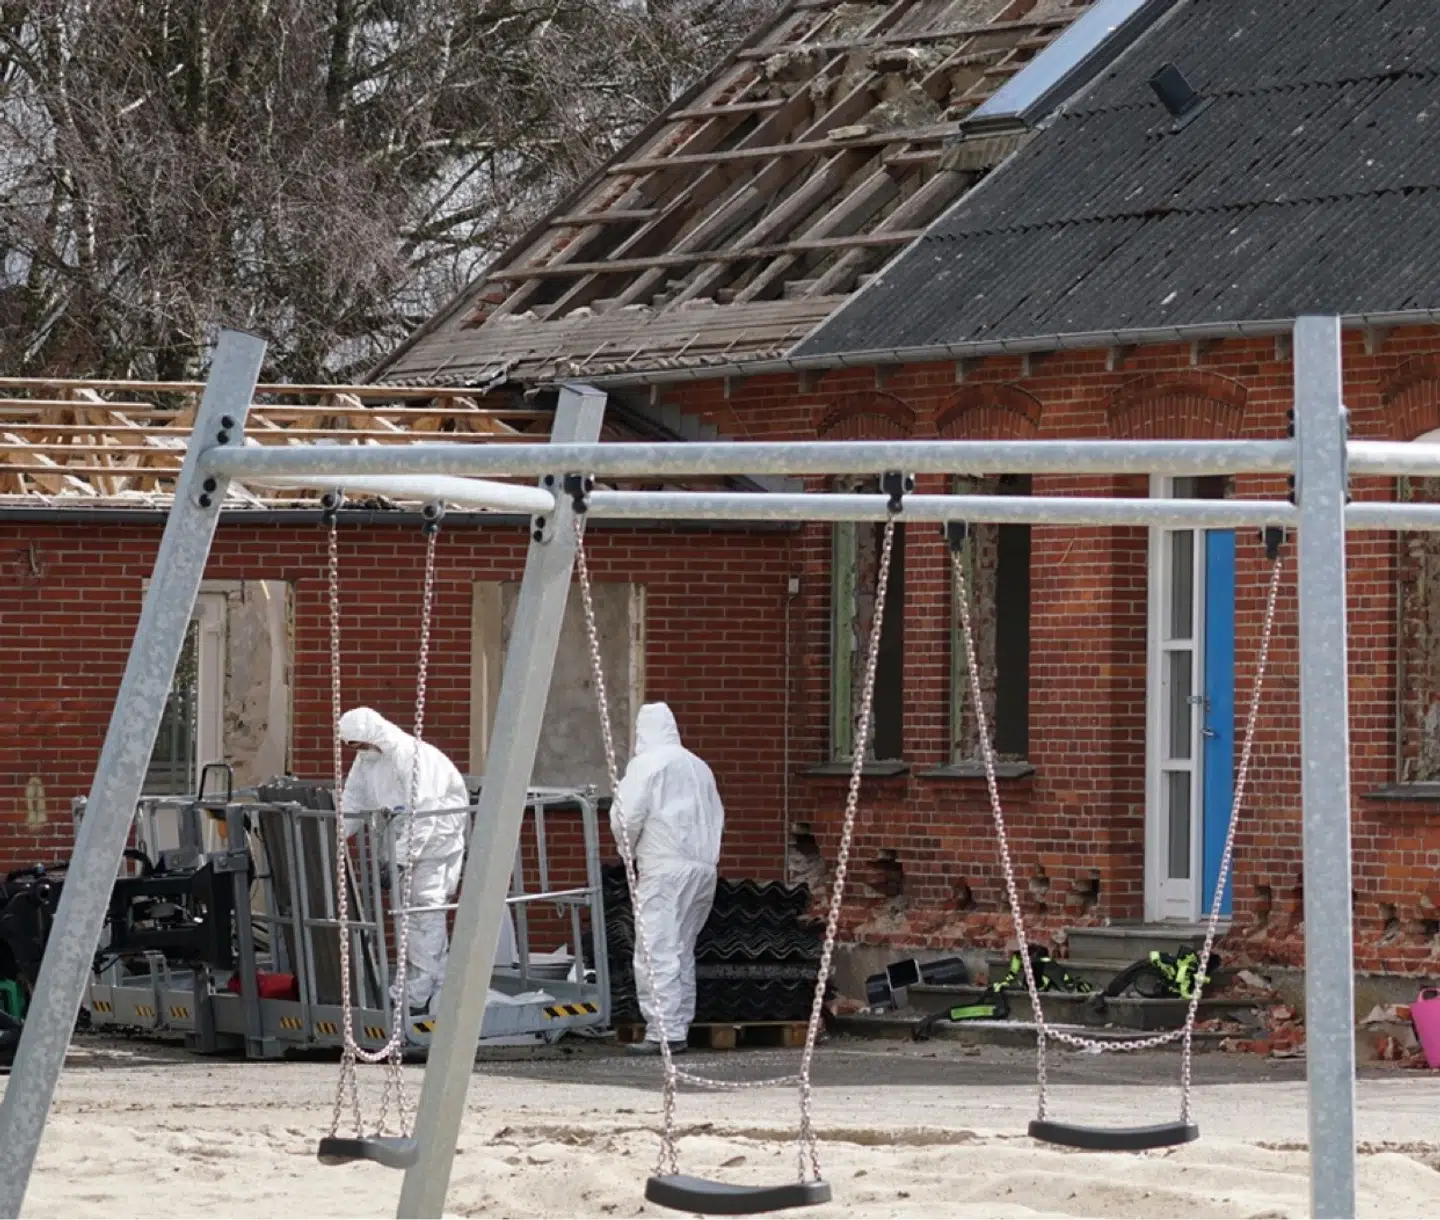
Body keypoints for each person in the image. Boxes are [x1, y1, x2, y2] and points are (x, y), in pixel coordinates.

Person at [337, 707, 516, 1018]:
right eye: (353, 746)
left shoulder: (411, 755)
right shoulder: (369, 760)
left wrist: (404, 857)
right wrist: (336, 834)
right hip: (402, 843)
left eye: (360, 744)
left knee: (425, 911)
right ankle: (424, 988)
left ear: (373, 735)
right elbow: (354, 799)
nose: (359, 751)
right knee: (409, 916)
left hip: (435, 847)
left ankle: (423, 992)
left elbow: (424, 811)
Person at [612, 702, 724, 1054]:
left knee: (656, 948)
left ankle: (663, 1032)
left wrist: (626, 852)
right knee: (681, 949)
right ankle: (678, 1026)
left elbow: (626, 817)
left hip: (664, 865)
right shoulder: (699, 767)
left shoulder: (648, 765)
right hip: (703, 867)